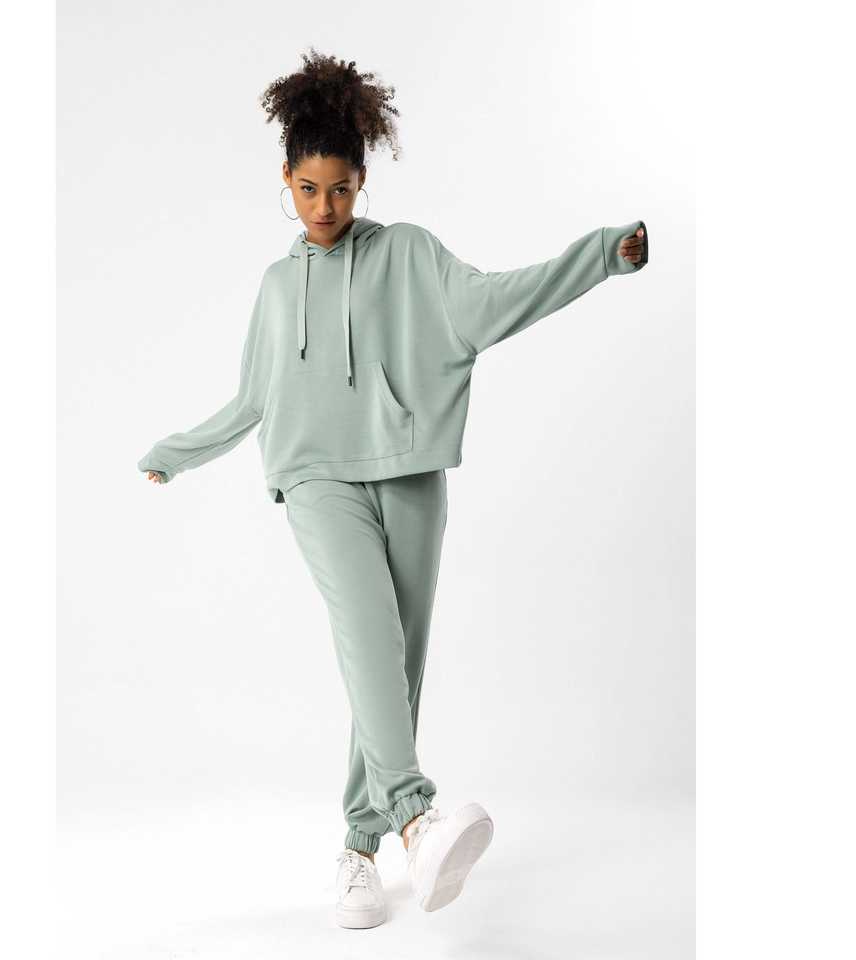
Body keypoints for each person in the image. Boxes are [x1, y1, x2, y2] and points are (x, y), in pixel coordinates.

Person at [137, 48, 648, 929]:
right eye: (307, 189)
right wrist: (177, 453)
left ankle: (357, 849)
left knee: (395, 666)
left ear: (361, 181)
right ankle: (416, 817)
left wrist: (599, 257)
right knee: (369, 635)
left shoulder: (408, 253)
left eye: (340, 189)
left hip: (409, 471)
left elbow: (493, 302)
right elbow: (254, 398)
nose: (324, 207)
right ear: (286, 182)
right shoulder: (276, 286)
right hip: (314, 476)